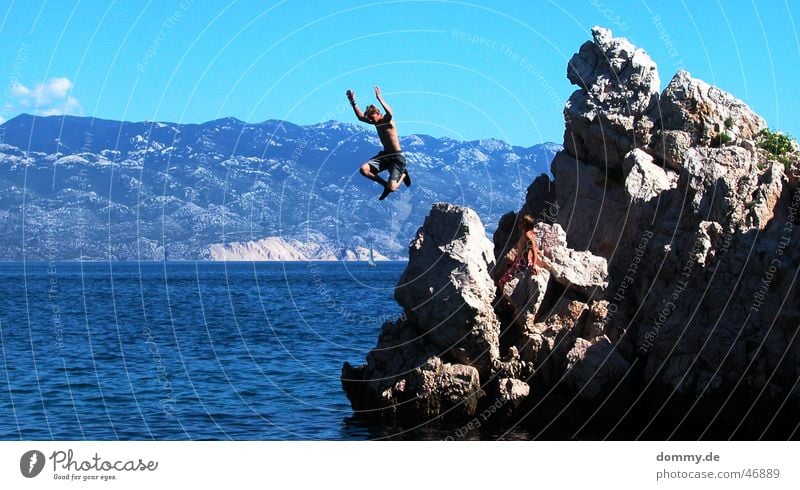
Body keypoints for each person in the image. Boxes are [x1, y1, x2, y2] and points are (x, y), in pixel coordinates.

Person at [346, 86, 411, 200]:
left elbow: (390, 112)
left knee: (393, 189)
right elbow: (360, 117)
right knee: (364, 170)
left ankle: (403, 174)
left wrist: (379, 98)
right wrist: (352, 102)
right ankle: (385, 184)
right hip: (385, 155)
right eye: (369, 119)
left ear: (377, 113)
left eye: (371, 117)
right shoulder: (375, 123)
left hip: (397, 157)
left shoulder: (387, 121)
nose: (370, 120)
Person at [497, 214, 542, 289]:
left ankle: (504, 300)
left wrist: (534, 266)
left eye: (522, 222)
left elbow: (534, 251)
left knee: (501, 282)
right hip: (519, 260)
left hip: (521, 264)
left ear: (526, 224)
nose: (519, 223)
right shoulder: (525, 233)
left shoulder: (528, 236)